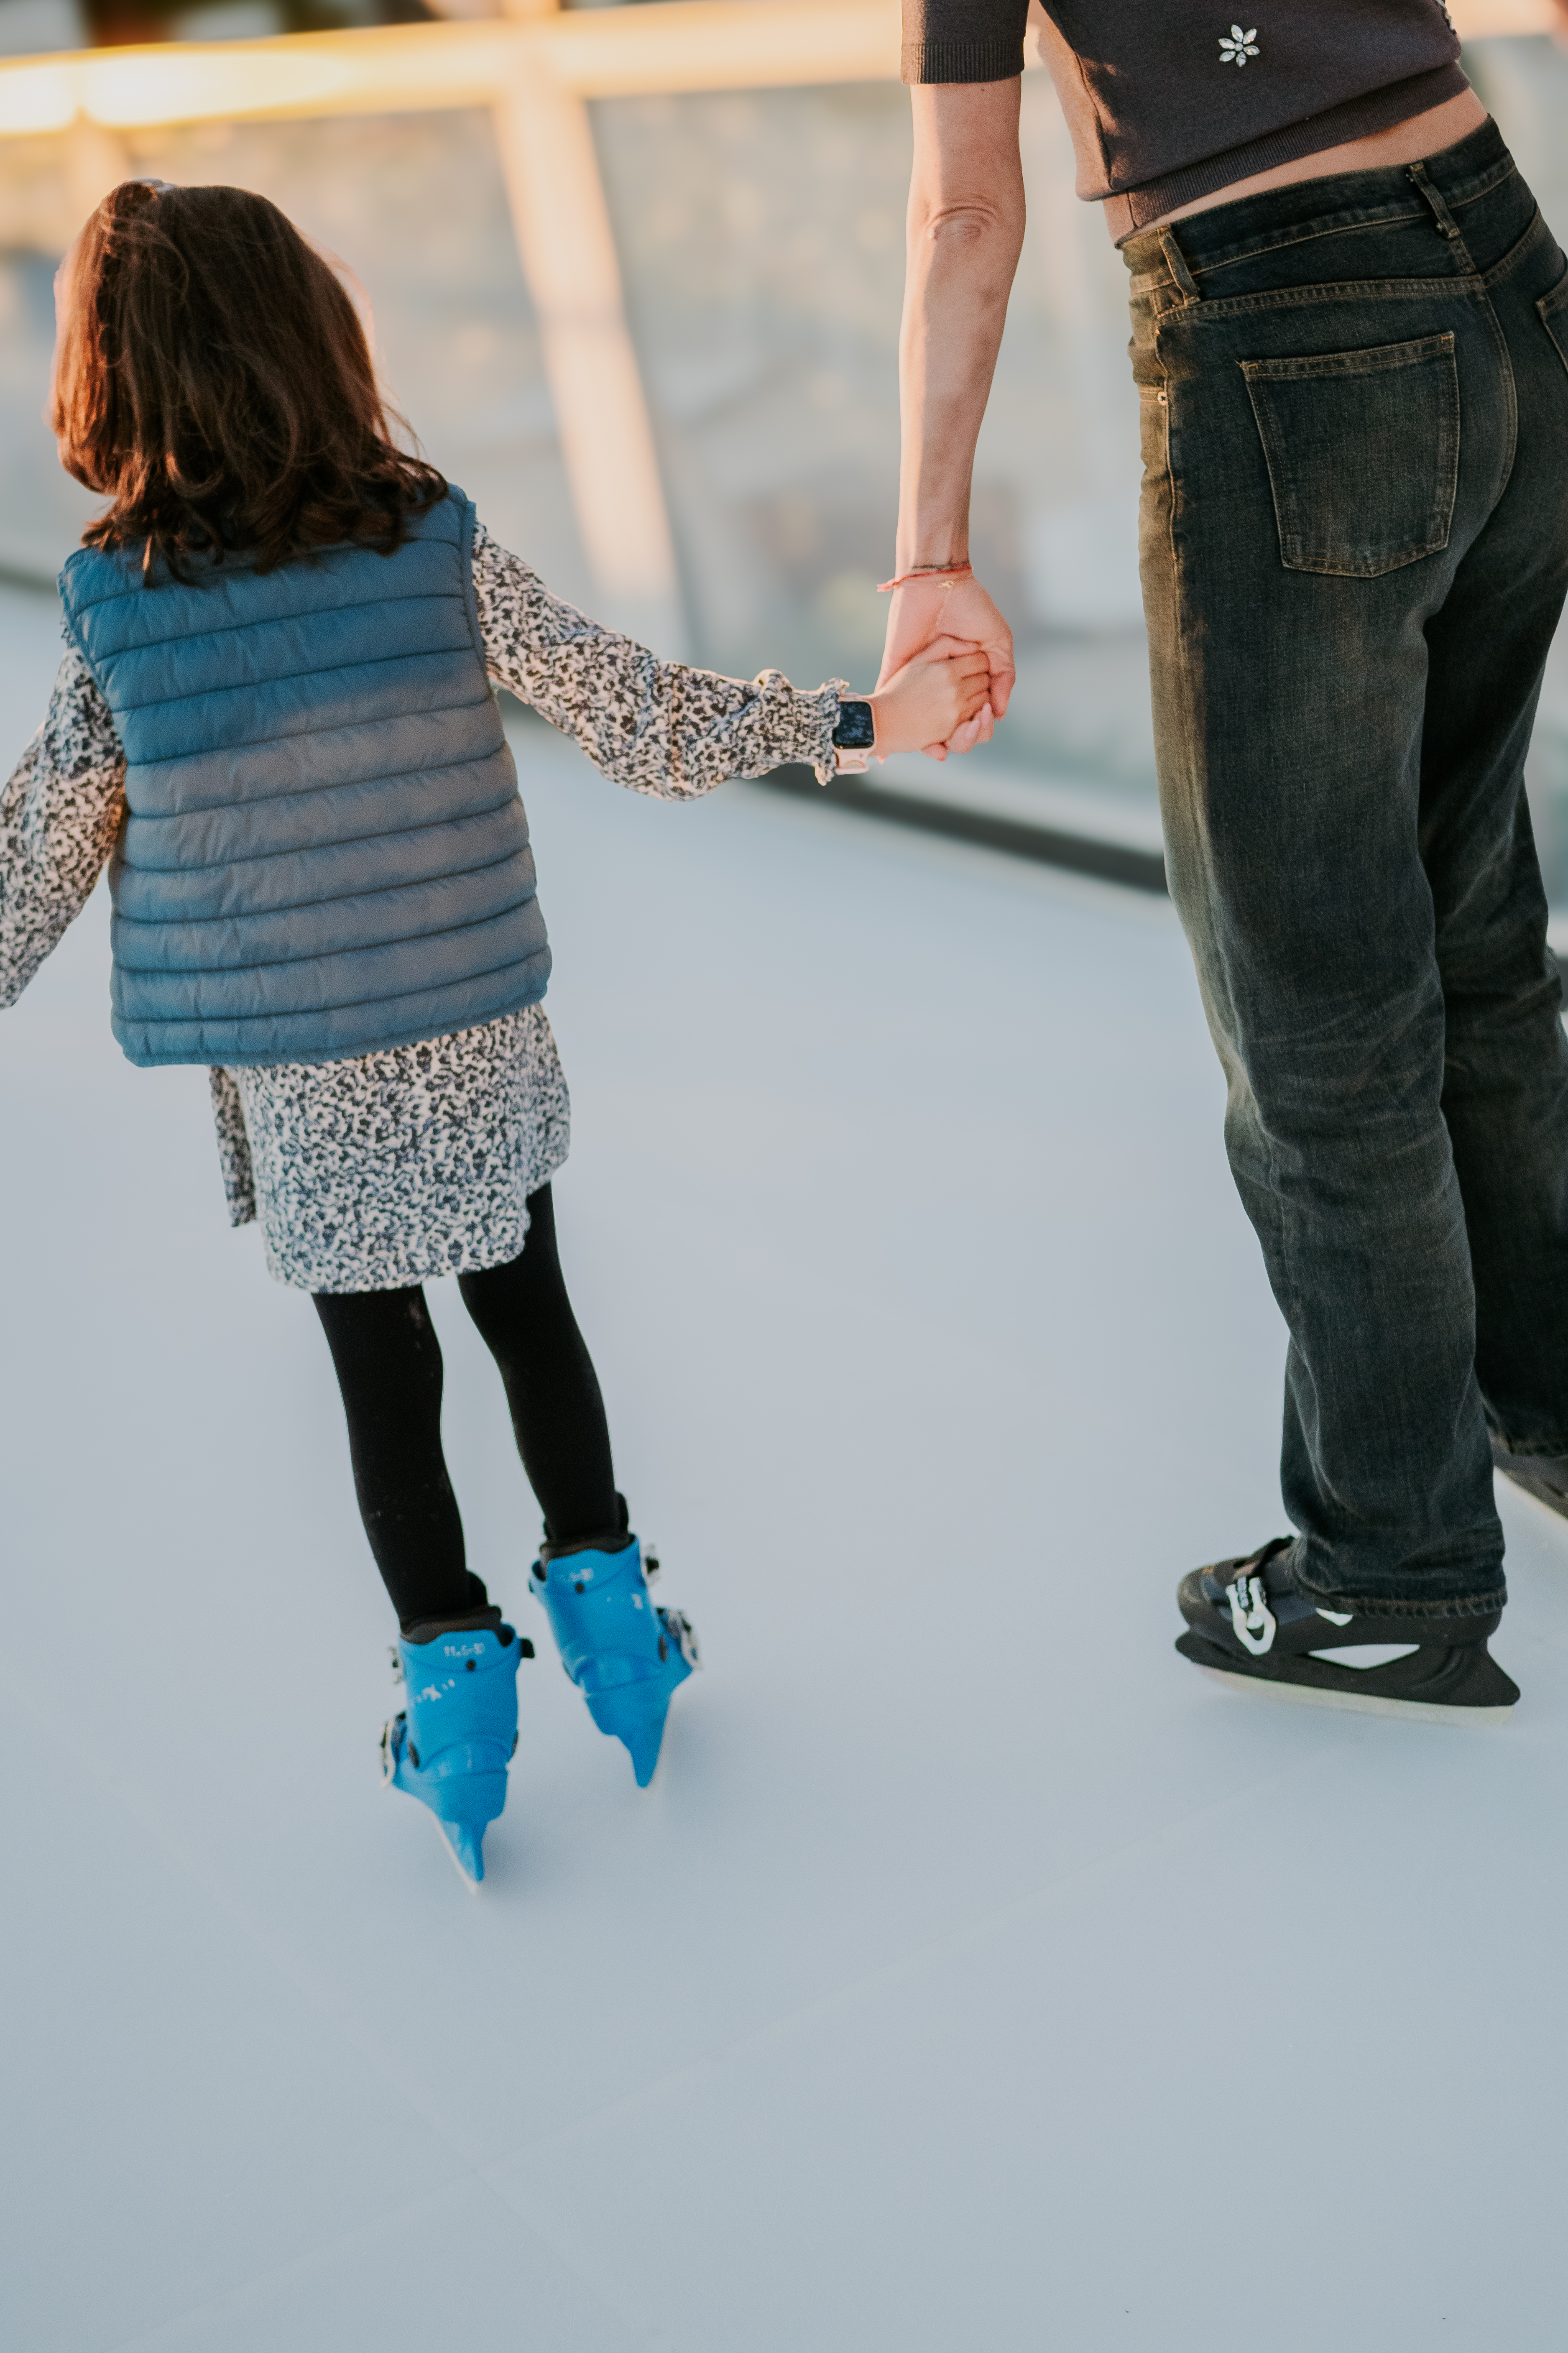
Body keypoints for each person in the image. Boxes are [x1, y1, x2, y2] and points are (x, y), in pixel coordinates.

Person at [0, 179, 992, 1887]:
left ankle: (453, 1700)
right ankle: (616, 1628)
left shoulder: (119, 608)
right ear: (317, 337)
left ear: (112, 382)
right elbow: (633, 714)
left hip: (304, 1069)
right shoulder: (423, 535)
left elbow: (35, 857)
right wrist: (856, 719)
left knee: (380, 1377)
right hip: (468, 1018)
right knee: (530, 1313)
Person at [884, 3, 1568, 1720]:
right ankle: (1547, 1406)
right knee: (1469, 929)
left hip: (1289, 326)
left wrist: (926, 561)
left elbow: (968, 205)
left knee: (1314, 1023)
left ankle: (1386, 1576)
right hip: (1506, 268)